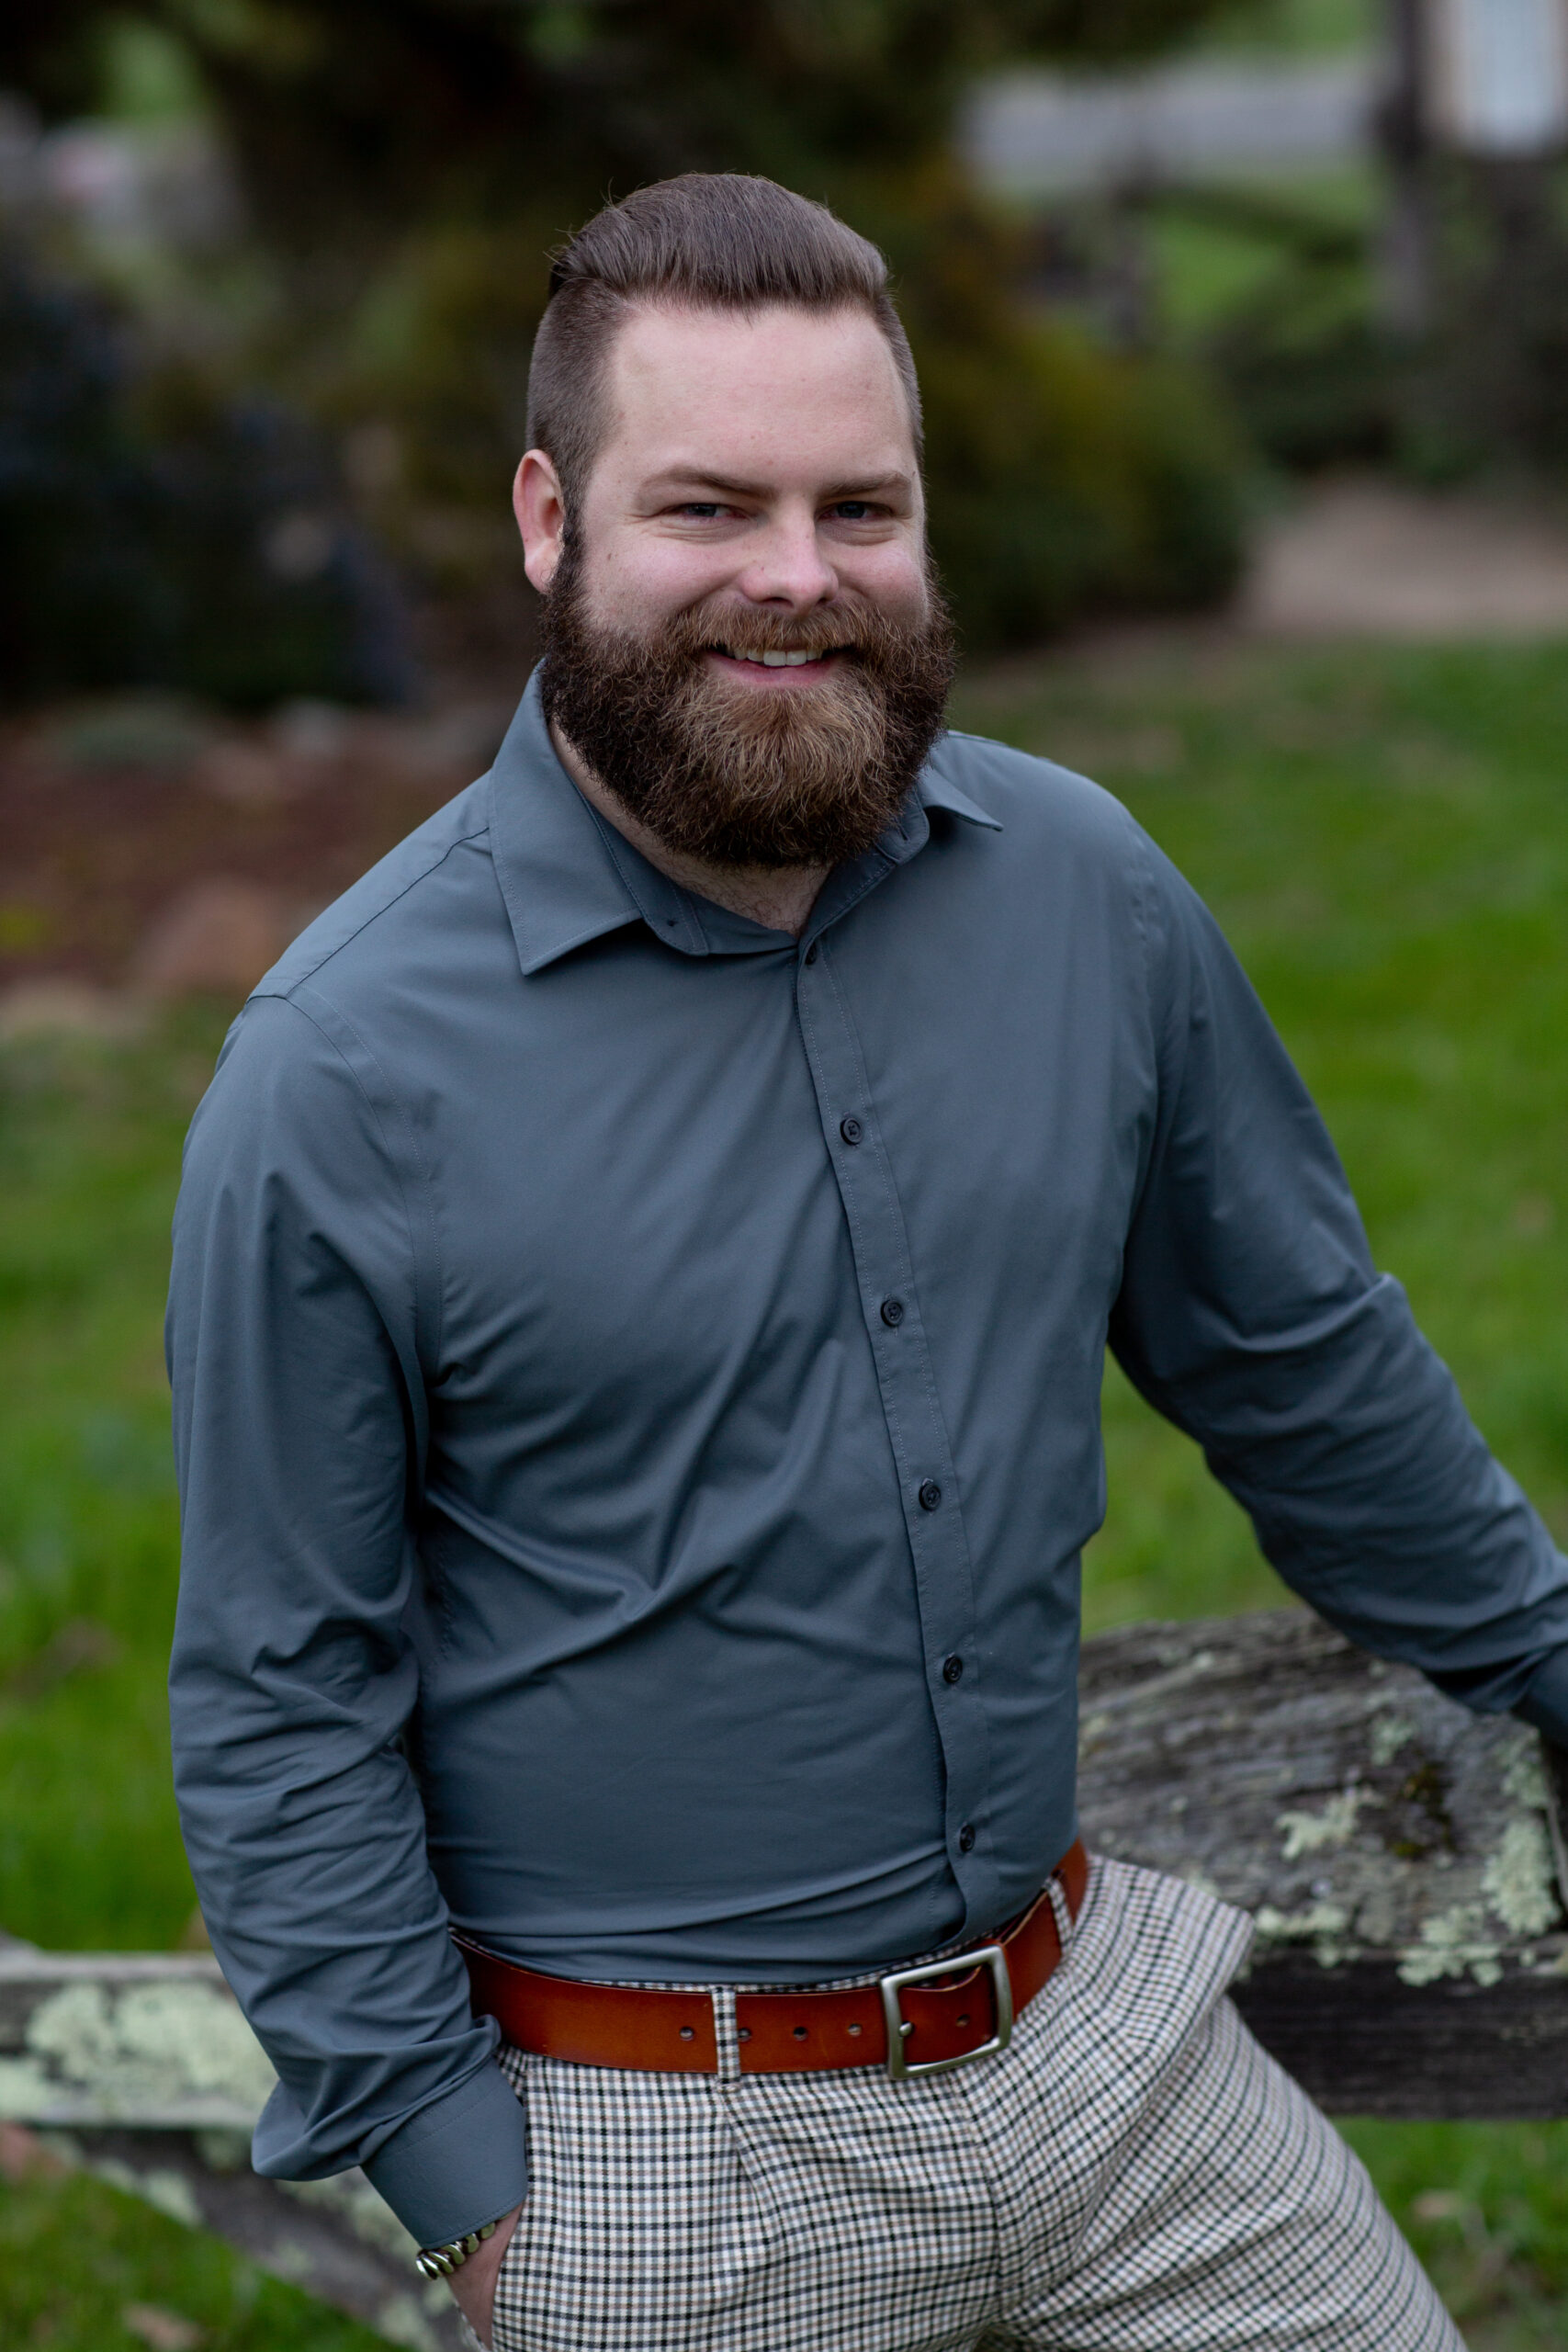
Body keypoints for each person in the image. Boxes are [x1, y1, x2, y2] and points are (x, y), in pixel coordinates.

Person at [166, 175, 1568, 2352]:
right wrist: (471, 2195)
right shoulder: (337, 1072)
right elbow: (279, 1694)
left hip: (1099, 2056)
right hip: (645, 2148)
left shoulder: (1085, 894)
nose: (797, 579)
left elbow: (1296, 1364)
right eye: (707, 507)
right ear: (547, 519)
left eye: (861, 506)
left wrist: (1545, 1647)